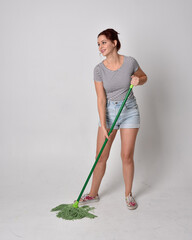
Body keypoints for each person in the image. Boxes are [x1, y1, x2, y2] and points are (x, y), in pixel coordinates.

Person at [77, 28, 147, 210]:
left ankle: (128, 195)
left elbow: (144, 76)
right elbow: (100, 99)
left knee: (127, 156)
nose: (100, 47)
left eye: (104, 42)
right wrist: (103, 125)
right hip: (108, 113)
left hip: (130, 111)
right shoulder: (98, 70)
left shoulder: (130, 62)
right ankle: (93, 194)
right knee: (100, 157)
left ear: (114, 43)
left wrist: (138, 80)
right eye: (98, 44)